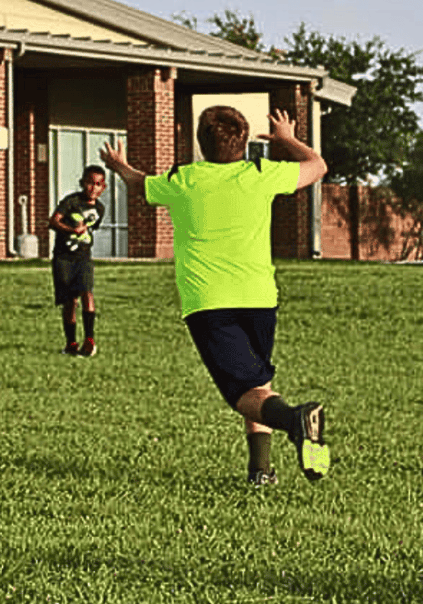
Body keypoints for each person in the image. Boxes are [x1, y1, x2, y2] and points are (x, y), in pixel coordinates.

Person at [100, 106, 330, 484]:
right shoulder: (261, 173)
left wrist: (120, 165)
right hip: (259, 298)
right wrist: (286, 138)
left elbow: (140, 185)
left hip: (209, 303)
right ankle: (261, 471)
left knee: (241, 391)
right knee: (257, 381)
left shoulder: (184, 179)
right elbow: (317, 165)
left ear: (200, 142)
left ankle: (295, 419)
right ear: (243, 141)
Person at [49, 165, 107, 357]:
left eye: (98, 184)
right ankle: (71, 343)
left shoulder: (100, 208)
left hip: (83, 257)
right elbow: (53, 221)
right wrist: (72, 230)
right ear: (83, 183)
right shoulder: (71, 201)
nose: (93, 188)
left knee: (87, 292)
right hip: (64, 257)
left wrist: (83, 235)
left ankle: (89, 340)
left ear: (103, 187)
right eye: (90, 183)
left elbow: (91, 229)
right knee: (70, 301)